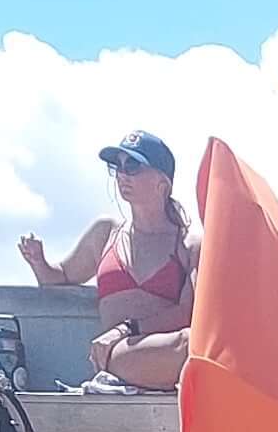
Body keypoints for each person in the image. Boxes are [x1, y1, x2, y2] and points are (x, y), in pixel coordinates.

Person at [19, 127, 196, 388]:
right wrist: (38, 261)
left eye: (133, 166)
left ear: (162, 183)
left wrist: (126, 327)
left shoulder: (188, 243)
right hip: (119, 354)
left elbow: (189, 312)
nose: (122, 174)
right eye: (117, 166)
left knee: (193, 343)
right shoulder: (105, 233)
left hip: (167, 348)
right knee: (189, 347)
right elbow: (59, 277)